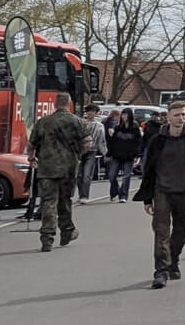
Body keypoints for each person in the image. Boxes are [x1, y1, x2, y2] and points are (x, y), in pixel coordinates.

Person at [134, 101, 185, 289]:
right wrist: (147, 197)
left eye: (183, 114)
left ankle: (173, 259)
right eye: (176, 115)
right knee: (161, 232)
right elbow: (149, 169)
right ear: (168, 117)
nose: (180, 118)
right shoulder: (157, 141)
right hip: (162, 191)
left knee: (181, 231)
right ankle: (161, 270)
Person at [28, 94, 90, 252]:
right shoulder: (78, 122)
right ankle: (67, 230)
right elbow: (88, 143)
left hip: (46, 168)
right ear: (69, 103)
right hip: (68, 168)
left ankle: (47, 237)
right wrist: (78, 155)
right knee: (65, 200)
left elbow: (32, 144)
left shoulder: (43, 122)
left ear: (55, 104)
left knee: (48, 202)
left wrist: (32, 158)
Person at [105, 109, 143, 202]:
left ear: (129, 116)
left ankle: (123, 196)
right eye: (123, 115)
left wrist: (136, 155)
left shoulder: (134, 128)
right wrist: (108, 154)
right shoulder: (118, 128)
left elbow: (138, 143)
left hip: (129, 156)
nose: (123, 117)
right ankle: (116, 191)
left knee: (126, 176)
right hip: (116, 155)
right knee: (112, 175)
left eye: (125, 115)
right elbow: (112, 142)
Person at [76, 103, 108, 203]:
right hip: (80, 151)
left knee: (86, 175)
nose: (90, 113)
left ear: (96, 113)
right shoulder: (81, 123)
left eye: (93, 111)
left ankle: (84, 196)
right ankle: (81, 193)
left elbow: (101, 141)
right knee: (78, 175)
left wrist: (105, 153)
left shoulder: (99, 126)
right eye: (89, 111)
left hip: (91, 152)